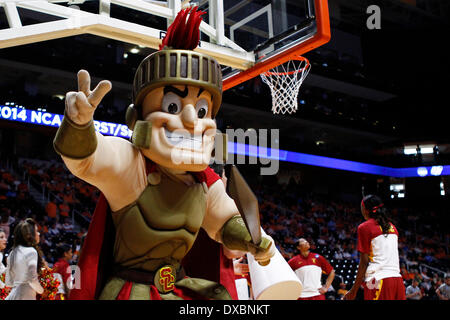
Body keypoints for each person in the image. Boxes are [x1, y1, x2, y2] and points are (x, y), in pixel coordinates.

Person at [55, 6, 275, 300]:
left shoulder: (204, 181)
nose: (188, 119)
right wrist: (79, 125)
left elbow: (225, 224)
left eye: (201, 110)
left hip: (175, 286)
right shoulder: (132, 163)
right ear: (137, 118)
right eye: (172, 105)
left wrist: (253, 239)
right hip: (131, 289)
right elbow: (86, 158)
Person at [344, 195, 405, 300]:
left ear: (366, 210)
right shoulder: (392, 227)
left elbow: (364, 262)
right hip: (398, 281)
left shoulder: (364, 227)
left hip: (377, 280)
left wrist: (354, 290)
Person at [4, 218, 44, 300]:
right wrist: (42, 291)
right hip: (26, 296)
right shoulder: (31, 251)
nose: (38, 234)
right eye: (36, 231)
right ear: (29, 235)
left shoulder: (12, 252)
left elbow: (9, 282)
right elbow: (32, 278)